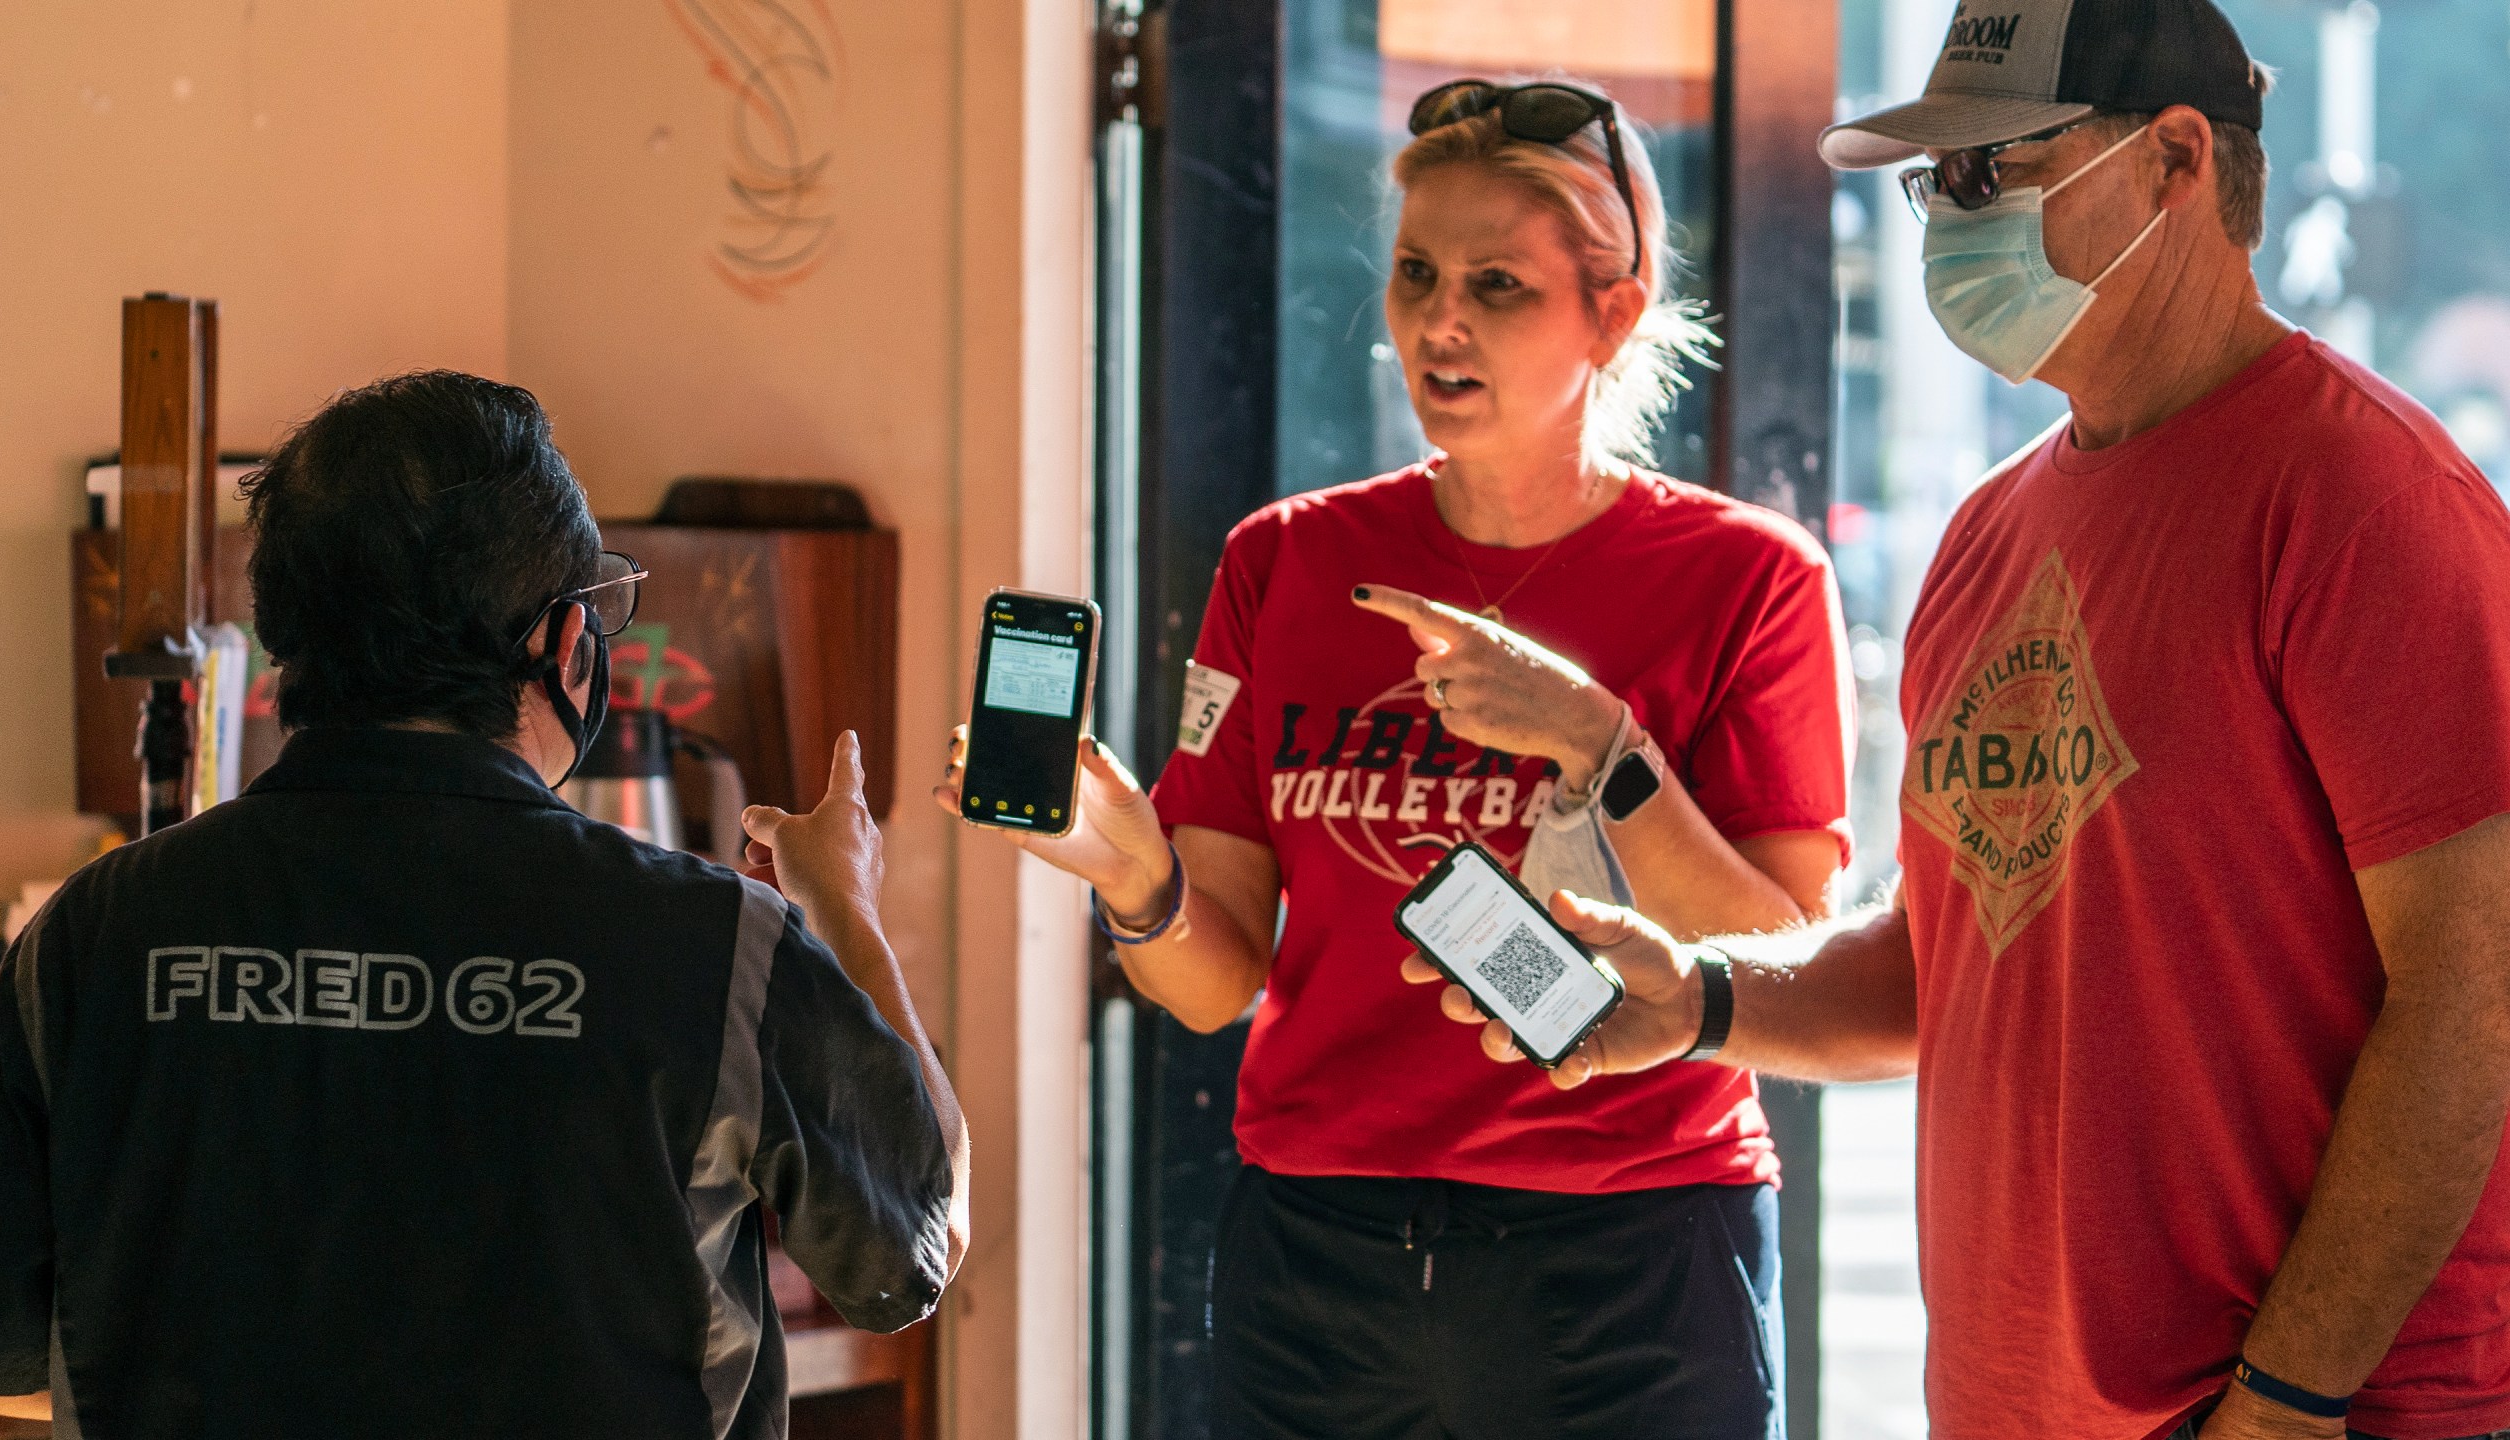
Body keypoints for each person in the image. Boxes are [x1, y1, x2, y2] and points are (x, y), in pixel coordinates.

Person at [1420, 3, 2510, 1439]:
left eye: (1990, 173)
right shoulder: (1993, 536)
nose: (1948, 221)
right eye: (1934, 185)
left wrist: (2287, 1400)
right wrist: (1702, 998)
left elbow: (2474, 1002)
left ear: (2178, 160)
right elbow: (1960, 955)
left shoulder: (2365, 503)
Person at [943, 79, 1851, 1438]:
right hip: (1321, 1255)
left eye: (1500, 285)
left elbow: (1781, 964)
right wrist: (1133, 880)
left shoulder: (1749, 580)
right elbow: (1212, 986)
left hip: (1633, 1250)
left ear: (1615, 307)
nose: (1439, 322)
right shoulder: (1287, 562)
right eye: (1418, 271)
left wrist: (1599, 744)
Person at [0, 372, 969, 1437]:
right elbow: (916, 1251)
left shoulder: (92, 932)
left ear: (286, 645)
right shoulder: (716, 946)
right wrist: (843, 905)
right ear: (562, 645)